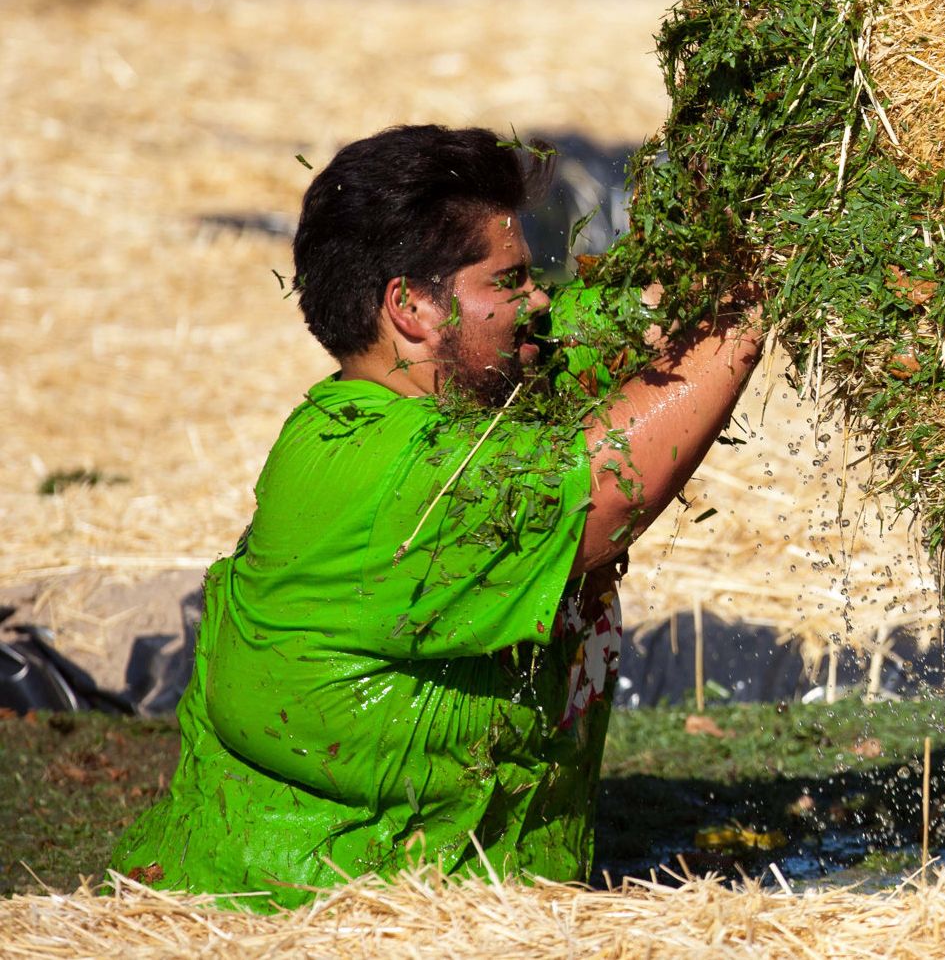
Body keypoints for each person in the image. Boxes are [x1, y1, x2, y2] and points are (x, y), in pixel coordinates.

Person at [110, 125, 764, 909]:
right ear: (411, 305)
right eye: (510, 280)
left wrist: (755, 226)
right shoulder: (380, 466)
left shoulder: (488, 394)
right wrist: (745, 317)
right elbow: (602, 493)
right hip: (292, 918)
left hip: (466, 913)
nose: (541, 299)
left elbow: (636, 322)